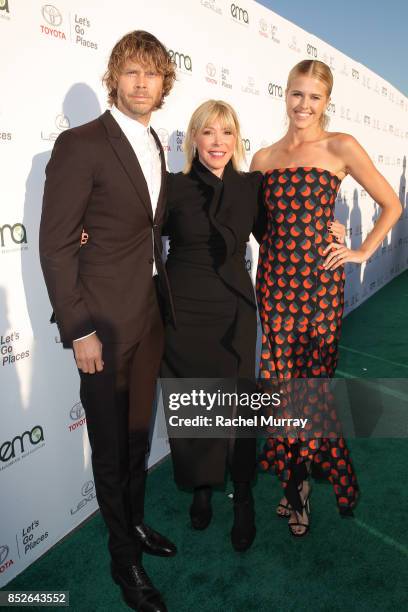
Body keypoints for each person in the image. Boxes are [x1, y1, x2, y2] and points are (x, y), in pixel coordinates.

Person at [40, 31, 178, 612]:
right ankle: (124, 561)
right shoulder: (81, 143)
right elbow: (54, 246)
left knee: (137, 435)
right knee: (109, 447)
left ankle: (137, 524)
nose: (142, 83)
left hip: (148, 318)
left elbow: (147, 230)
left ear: (164, 84)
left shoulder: (156, 145)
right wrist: (80, 328)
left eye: (152, 73)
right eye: (132, 72)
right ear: (113, 78)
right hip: (103, 326)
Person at [251, 59, 402, 537]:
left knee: (310, 389)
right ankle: (299, 478)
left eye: (314, 97)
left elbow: (392, 204)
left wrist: (358, 249)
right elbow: (261, 228)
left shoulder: (341, 146)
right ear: (285, 93)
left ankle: (299, 491)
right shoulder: (263, 157)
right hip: (275, 286)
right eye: (297, 94)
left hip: (318, 289)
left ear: (327, 102)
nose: (304, 105)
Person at [161, 100, 265, 552]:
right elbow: (138, 232)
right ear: (194, 139)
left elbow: (277, 233)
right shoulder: (173, 186)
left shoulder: (251, 186)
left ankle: (243, 497)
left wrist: (332, 232)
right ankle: (202, 488)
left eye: (226, 133)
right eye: (208, 133)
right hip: (184, 310)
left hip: (235, 309)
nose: (217, 142)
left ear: (236, 139)